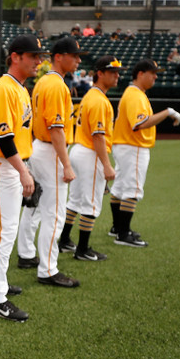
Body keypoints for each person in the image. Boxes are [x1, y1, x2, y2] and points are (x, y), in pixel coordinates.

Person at [0, 34, 44, 322]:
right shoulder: (5, 89)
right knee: (6, 231)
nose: (38, 61)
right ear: (15, 57)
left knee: (2, 229)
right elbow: (4, 139)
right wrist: (24, 171)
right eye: (32, 56)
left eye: (39, 56)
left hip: (10, 165)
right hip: (4, 165)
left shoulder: (19, 88)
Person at [16, 35, 81, 288]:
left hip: (39, 148)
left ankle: (26, 254)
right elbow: (56, 129)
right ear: (58, 57)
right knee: (54, 214)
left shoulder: (43, 81)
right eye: (73, 55)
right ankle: (48, 269)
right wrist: (66, 164)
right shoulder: (56, 85)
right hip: (51, 150)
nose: (77, 60)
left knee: (34, 207)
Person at [108, 59, 179, 247]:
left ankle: (117, 227)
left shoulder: (134, 93)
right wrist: (167, 112)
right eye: (152, 72)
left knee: (120, 188)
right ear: (140, 74)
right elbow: (140, 124)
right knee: (132, 189)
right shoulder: (135, 95)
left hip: (125, 146)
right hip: (134, 146)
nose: (155, 76)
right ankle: (123, 234)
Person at [59, 56, 120, 262]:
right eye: (112, 72)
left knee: (75, 200)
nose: (117, 75)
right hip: (90, 153)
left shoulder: (90, 96)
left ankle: (64, 239)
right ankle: (83, 249)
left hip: (79, 149)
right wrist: (107, 165)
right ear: (100, 73)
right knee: (91, 204)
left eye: (118, 72)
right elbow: (98, 136)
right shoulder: (99, 100)